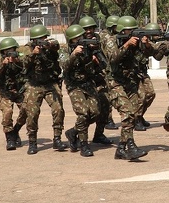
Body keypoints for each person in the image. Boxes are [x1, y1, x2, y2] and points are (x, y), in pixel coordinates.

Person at [102, 16, 148, 161]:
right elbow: (112, 58)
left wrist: (145, 45)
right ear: (122, 31)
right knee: (127, 112)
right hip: (114, 82)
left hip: (129, 81)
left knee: (133, 114)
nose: (132, 33)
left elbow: (149, 55)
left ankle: (121, 148)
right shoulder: (111, 41)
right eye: (130, 30)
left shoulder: (135, 42)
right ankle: (131, 145)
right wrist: (127, 45)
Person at [21, 24, 68, 154]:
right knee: (32, 113)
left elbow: (57, 47)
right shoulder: (28, 49)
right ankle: (32, 141)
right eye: (40, 39)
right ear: (34, 40)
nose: (43, 41)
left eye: (44, 38)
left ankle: (57, 138)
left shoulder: (50, 47)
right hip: (34, 85)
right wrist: (33, 54)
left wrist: (50, 46)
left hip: (50, 83)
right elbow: (23, 64)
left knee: (58, 109)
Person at [61, 24, 103, 157]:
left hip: (88, 83)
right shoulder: (65, 51)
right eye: (76, 39)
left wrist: (93, 52)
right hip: (74, 85)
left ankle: (73, 132)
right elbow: (64, 66)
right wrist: (74, 54)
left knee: (96, 112)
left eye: (81, 37)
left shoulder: (88, 48)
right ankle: (84, 144)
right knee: (83, 113)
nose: (79, 40)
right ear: (70, 40)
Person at [80, 15, 115, 145]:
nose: (89, 31)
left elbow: (106, 57)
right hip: (83, 82)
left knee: (105, 106)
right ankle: (77, 133)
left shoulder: (98, 40)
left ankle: (99, 134)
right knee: (89, 112)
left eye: (91, 28)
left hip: (99, 79)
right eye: (86, 29)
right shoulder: (76, 42)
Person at [0, 37, 28, 151]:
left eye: (11, 49)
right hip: (6, 92)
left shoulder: (19, 57)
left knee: (26, 111)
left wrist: (17, 61)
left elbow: (26, 68)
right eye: (6, 50)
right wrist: (3, 64)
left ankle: (15, 130)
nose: (9, 52)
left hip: (19, 90)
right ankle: (10, 138)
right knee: (7, 113)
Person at [133, 21, 168, 131]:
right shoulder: (136, 40)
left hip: (142, 72)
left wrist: (148, 44)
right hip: (134, 73)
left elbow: (155, 54)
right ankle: (136, 120)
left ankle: (140, 115)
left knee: (150, 94)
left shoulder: (147, 42)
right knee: (141, 96)